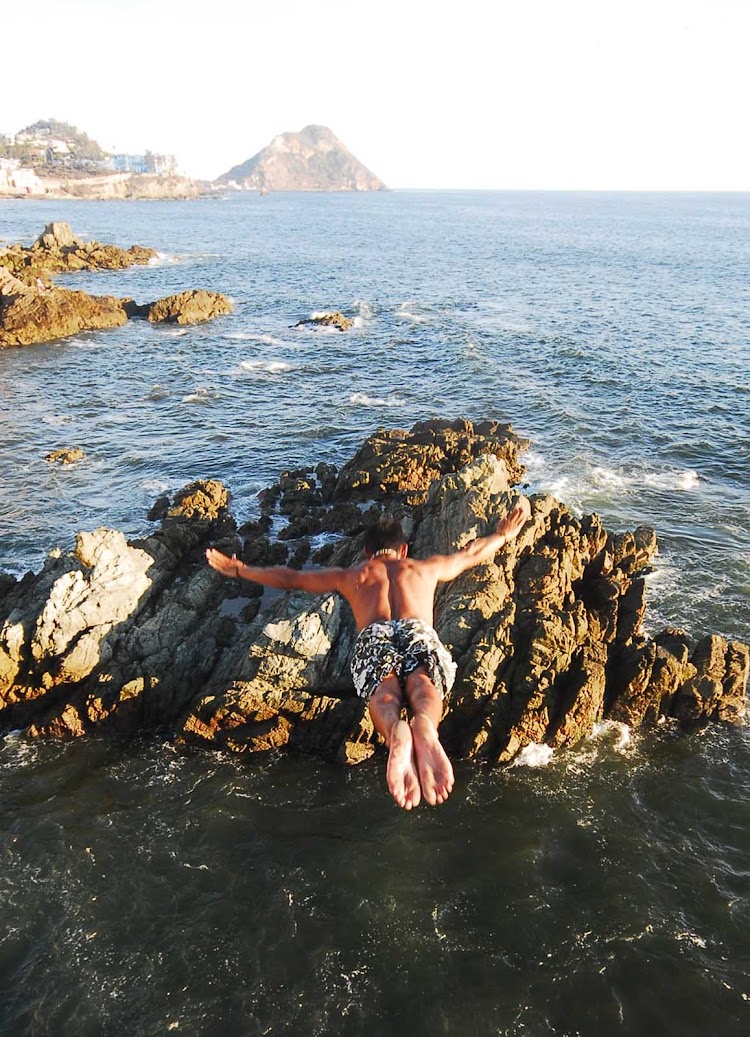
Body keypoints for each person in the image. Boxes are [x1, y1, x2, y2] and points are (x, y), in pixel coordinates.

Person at [206, 496, 531, 810]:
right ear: (404, 549)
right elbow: (470, 554)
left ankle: (395, 730)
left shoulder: (352, 575)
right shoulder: (425, 568)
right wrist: (503, 533)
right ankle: (426, 728)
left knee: (385, 694)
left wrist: (240, 570)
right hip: (417, 631)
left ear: (366, 551)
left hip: (375, 636)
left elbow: (293, 578)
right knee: (423, 685)